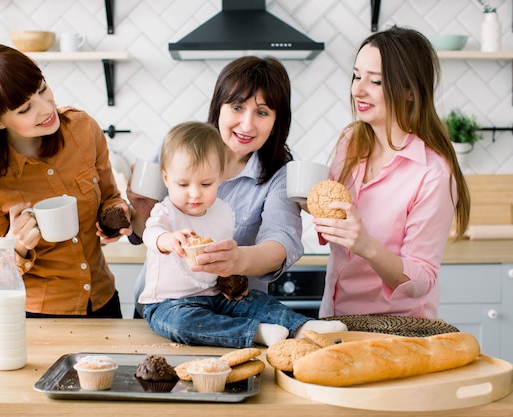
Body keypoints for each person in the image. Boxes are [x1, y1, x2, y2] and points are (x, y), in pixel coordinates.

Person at [0, 43, 132, 318]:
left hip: (103, 302)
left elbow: (110, 195)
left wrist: (115, 216)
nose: (46, 108)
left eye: (43, 89)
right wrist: (17, 245)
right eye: (25, 109)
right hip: (37, 319)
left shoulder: (82, 130)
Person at [304, 26, 470, 319]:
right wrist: (312, 206)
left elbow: (421, 279)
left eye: (376, 81)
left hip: (398, 333)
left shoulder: (432, 173)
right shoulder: (350, 142)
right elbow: (337, 226)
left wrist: (365, 245)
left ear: (409, 91)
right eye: (356, 76)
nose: (358, 89)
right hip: (335, 318)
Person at [139, 121, 345, 348]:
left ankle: (302, 326)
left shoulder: (222, 211)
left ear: (219, 177)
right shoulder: (166, 211)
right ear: (166, 179)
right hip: (169, 303)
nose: (195, 194)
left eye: (206, 183)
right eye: (183, 184)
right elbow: (151, 232)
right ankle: (255, 332)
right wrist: (166, 240)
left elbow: (227, 254)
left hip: (215, 295)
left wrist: (231, 279)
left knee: (258, 301)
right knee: (180, 325)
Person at [129, 56, 306, 316]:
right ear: (218, 107)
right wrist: (138, 213)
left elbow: (281, 242)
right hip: (165, 307)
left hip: (234, 313)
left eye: (262, 112)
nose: (247, 125)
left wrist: (238, 260)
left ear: (276, 120)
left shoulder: (280, 175)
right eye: (237, 107)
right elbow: (149, 230)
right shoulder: (179, 146)